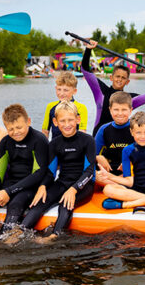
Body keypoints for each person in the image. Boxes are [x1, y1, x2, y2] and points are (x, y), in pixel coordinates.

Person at [20, 101, 96, 244]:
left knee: (65, 204)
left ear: (78, 119)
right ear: (55, 122)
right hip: (62, 182)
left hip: (83, 185)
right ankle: (19, 231)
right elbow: (50, 173)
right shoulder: (54, 143)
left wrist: (74, 189)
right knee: (41, 201)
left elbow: (90, 171)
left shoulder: (88, 140)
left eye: (70, 120)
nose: (67, 124)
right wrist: (42, 187)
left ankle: (54, 235)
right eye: (62, 121)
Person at [79, 39, 145, 135]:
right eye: (117, 76)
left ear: (127, 81)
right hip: (100, 136)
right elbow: (85, 71)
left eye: (123, 78)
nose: (119, 80)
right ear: (111, 78)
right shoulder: (101, 91)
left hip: (119, 138)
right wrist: (88, 50)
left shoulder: (129, 98)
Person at [94, 91, 135, 185]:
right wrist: (98, 157)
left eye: (124, 110)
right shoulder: (104, 129)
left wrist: (130, 161)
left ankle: (119, 184)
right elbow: (91, 153)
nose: (120, 113)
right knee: (94, 176)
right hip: (108, 172)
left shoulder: (136, 128)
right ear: (110, 110)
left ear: (131, 110)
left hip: (129, 172)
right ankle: (120, 184)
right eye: (116, 109)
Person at [41, 71, 88, 139]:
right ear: (55, 88)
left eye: (66, 90)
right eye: (59, 89)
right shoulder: (50, 107)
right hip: (55, 147)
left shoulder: (81, 108)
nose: (61, 93)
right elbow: (45, 131)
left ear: (74, 91)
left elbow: (82, 132)